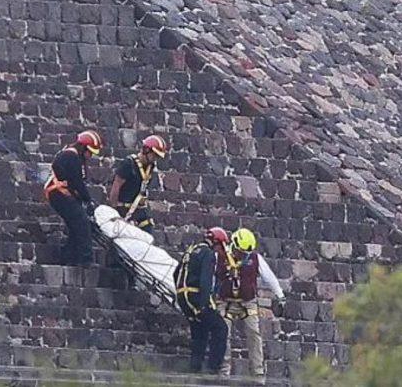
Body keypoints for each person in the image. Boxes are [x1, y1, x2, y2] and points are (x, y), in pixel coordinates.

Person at [219, 228, 286, 378]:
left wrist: (280, 295)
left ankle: (257, 371)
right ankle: (224, 371)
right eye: (242, 252)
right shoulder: (221, 256)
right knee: (223, 334)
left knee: (254, 333)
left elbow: (269, 277)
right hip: (225, 301)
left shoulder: (255, 258)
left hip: (248, 302)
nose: (244, 255)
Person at [174, 227, 230, 374]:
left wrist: (179, 292)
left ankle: (195, 367)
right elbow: (206, 280)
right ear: (216, 243)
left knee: (200, 331)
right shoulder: (208, 253)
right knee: (220, 328)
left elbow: (176, 273)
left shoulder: (191, 250)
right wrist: (204, 304)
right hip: (196, 296)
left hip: (182, 296)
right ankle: (214, 367)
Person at [44, 130, 103, 266]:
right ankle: (86, 258)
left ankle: (68, 257)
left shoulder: (71, 155)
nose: (91, 155)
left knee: (75, 225)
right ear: (83, 147)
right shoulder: (72, 156)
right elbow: (77, 182)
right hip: (59, 194)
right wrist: (87, 200)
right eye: (90, 151)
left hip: (61, 194)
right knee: (82, 223)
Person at [107, 134, 168, 234]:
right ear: (146, 150)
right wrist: (113, 212)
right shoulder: (128, 164)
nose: (155, 159)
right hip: (122, 208)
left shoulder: (150, 167)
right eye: (154, 155)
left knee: (148, 231)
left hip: (138, 210)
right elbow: (116, 186)